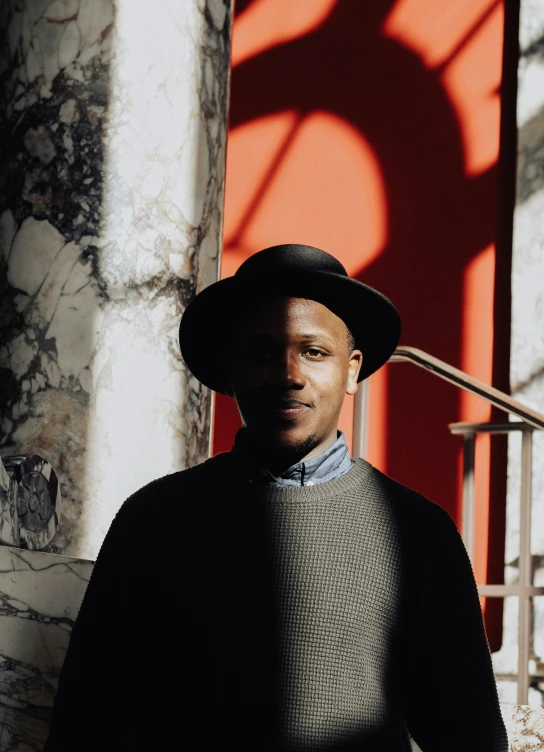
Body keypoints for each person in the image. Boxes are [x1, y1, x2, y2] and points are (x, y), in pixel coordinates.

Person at [43, 244, 508, 751]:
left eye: (314, 351)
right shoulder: (154, 519)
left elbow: (469, 735)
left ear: (352, 370)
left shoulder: (418, 533)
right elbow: (85, 723)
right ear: (231, 371)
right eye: (261, 352)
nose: (288, 374)